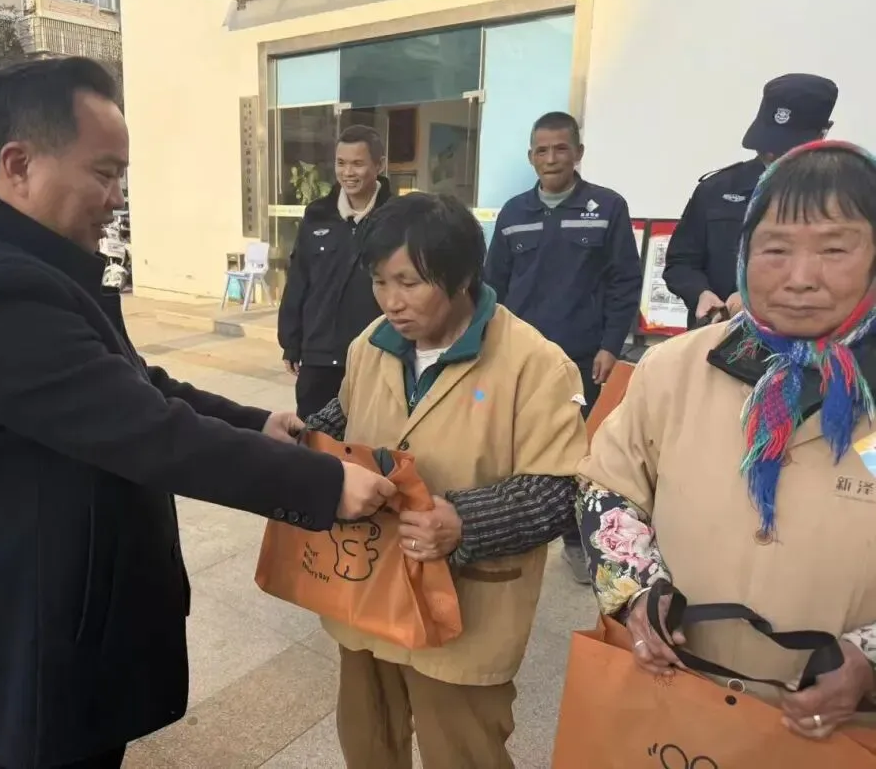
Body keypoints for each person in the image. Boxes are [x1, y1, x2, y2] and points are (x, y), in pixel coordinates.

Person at [0, 58, 396, 769]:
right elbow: (149, 432)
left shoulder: (36, 267)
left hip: (74, 623)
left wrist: (253, 423)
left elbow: (134, 384)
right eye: (104, 174)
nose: (116, 199)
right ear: (19, 165)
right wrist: (321, 483)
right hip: (41, 640)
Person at [579, 141, 876, 740]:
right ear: (744, 253)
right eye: (775, 249)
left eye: (834, 249)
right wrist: (636, 592)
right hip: (676, 697)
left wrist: (868, 656)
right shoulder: (676, 369)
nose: (800, 278)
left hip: (835, 726)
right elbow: (608, 487)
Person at [306, 192, 588, 768]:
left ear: (461, 276)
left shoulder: (536, 364)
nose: (392, 302)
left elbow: (562, 490)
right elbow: (345, 416)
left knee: (462, 750)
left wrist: (466, 522)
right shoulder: (370, 345)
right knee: (369, 740)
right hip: (368, 589)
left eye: (409, 283)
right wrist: (305, 439)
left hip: (465, 610)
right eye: (379, 281)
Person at [483, 110, 641, 583]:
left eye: (560, 148)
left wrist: (611, 345)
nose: (551, 158)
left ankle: (576, 540)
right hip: (520, 356)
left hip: (582, 356)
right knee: (515, 441)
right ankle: (510, 527)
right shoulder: (514, 213)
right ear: (530, 157)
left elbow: (624, 282)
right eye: (542, 150)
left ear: (578, 153)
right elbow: (493, 286)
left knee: (580, 450)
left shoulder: (607, 207)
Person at [664, 73, 838, 327]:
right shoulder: (716, 189)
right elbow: (681, 262)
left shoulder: (845, 199)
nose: (770, 153)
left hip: (805, 337)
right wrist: (700, 293)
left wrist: (755, 298)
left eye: (784, 147)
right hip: (718, 336)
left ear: (823, 133)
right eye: (766, 142)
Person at [278, 124, 392, 418]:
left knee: (371, 436)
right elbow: (299, 279)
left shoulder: (396, 217)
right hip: (319, 356)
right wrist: (291, 341)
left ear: (379, 165)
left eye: (358, 163)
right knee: (314, 436)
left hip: (378, 354)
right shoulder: (317, 214)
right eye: (341, 163)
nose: (348, 173)